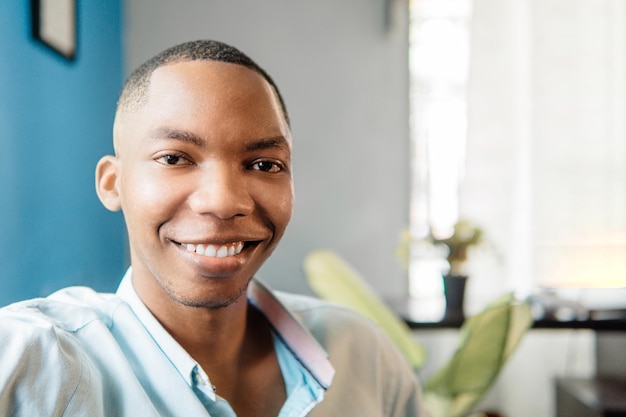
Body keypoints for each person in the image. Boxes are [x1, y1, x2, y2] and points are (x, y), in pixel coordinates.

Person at [0, 40, 426, 417]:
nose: (224, 202)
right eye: (174, 158)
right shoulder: (33, 359)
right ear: (113, 184)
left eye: (264, 165)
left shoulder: (363, 356)